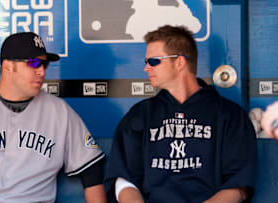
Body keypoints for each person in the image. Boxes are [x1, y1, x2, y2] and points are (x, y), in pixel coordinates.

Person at [0, 32, 107, 203]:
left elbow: (91, 171)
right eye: (34, 63)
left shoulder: (60, 112)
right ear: (8, 66)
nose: (42, 72)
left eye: (44, 65)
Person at [104, 25, 257, 203]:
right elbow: (123, 180)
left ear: (179, 62)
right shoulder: (140, 115)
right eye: (146, 62)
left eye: (153, 61)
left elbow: (239, 186)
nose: (146, 68)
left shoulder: (229, 115)